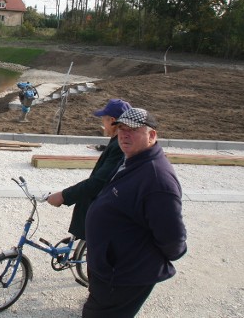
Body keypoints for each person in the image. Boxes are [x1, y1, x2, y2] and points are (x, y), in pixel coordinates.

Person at [83, 108, 187, 317]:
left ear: (152, 135)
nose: (124, 134)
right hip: (110, 267)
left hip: (124, 275)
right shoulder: (132, 159)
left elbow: (173, 238)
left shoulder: (157, 180)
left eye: (133, 129)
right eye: (121, 128)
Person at [47, 98, 131, 240]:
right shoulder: (117, 143)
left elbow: (98, 182)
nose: (102, 124)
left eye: (103, 120)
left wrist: (64, 196)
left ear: (112, 120)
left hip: (105, 211)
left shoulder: (119, 147)